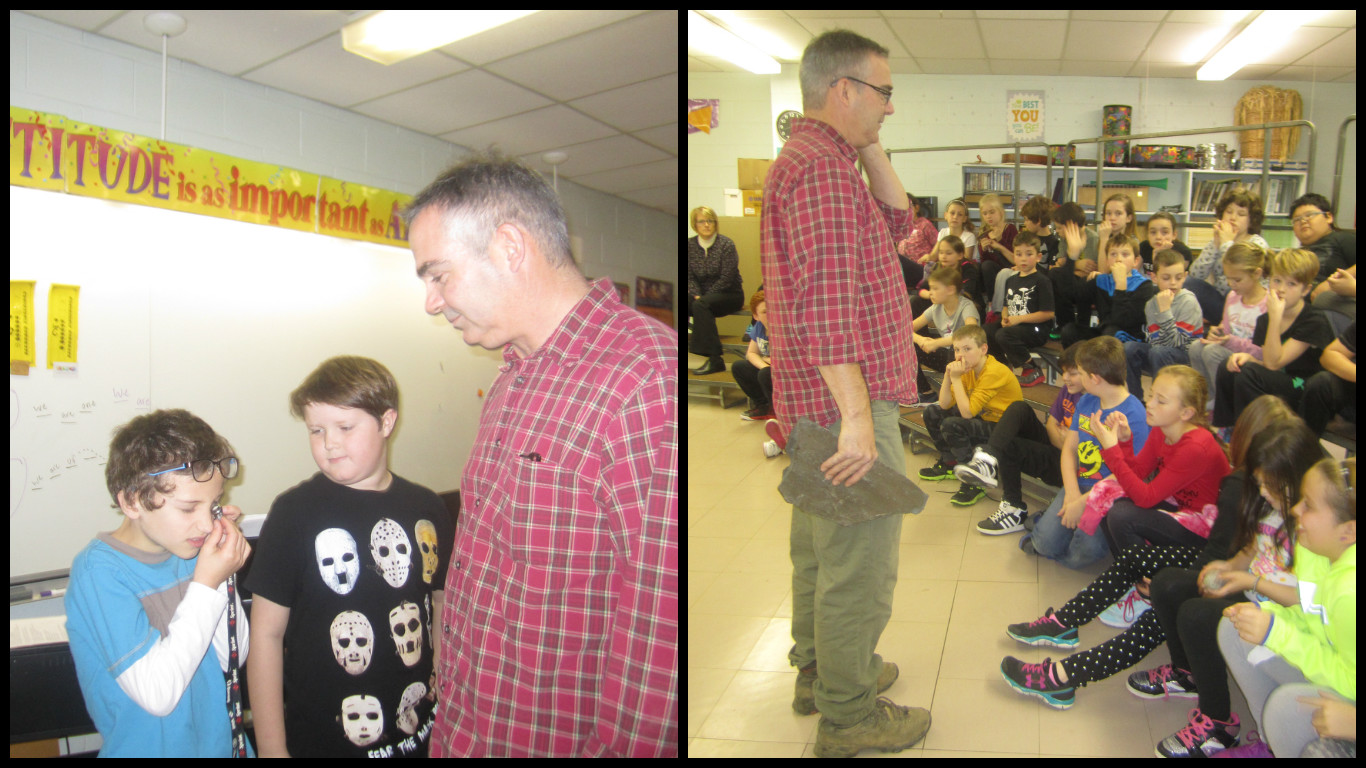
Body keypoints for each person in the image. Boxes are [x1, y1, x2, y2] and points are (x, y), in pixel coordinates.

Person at [404, 150, 678, 756]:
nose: (430, 301)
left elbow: (659, 643)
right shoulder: (513, 376)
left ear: (508, 246)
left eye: (438, 274)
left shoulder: (644, 379)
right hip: (472, 730)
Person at [760, 28, 929, 758]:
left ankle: (820, 673)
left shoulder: (823, 160)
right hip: (842, 405)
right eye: (883, 93)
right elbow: (827, 309)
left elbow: (906, 227)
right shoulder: (822, 176)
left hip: (812, 405)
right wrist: (859, 422)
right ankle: (850, 714)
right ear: (845, 91)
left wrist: (862, 145)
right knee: (859, 564)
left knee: (819, 548)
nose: (890, 108)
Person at [246, 356, 453, 757]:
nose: (329, 443)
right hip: (323, 742)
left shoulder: (426, 507)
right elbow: (266, 635)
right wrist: (272, 750)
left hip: (420, 735)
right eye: (316, 430)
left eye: (345, 427)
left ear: (387, 422)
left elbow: (441, 603)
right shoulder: (294, 513)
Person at [66, 409, 252, 757]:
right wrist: (207, 584)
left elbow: (233, 655)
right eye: (187, 509)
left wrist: (223, 573)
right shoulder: (98, 573)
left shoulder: (193, 549)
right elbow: (158, 695)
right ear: (132, 501)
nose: (204, 524)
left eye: (213, 505)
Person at [688, 205, 745, 374]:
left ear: (715, 223)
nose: (706, 225)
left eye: (710, 221)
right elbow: (688, 276)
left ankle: (715, 360)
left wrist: (704, 297)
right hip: (702, 297)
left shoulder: (726, 244)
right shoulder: (689, 246)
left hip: (729, 294)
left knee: (702, 306)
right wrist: (697, 294)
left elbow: (727, 277)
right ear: (694, 224)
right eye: (702, 221)